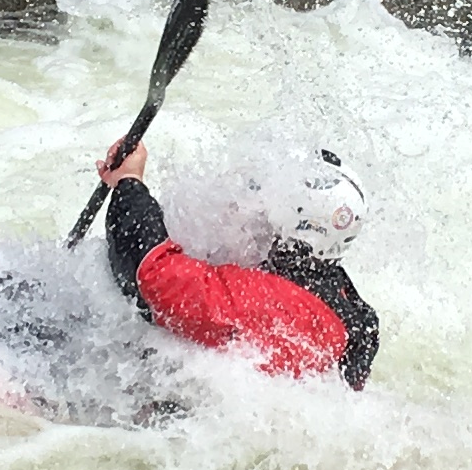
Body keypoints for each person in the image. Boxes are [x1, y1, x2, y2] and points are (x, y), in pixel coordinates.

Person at [94, 143, 380, 388]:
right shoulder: (334, 294)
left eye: (263, 213)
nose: (250, 214)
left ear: (296, 228)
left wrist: (129, 183)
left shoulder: (272, 300)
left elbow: (156, 277)